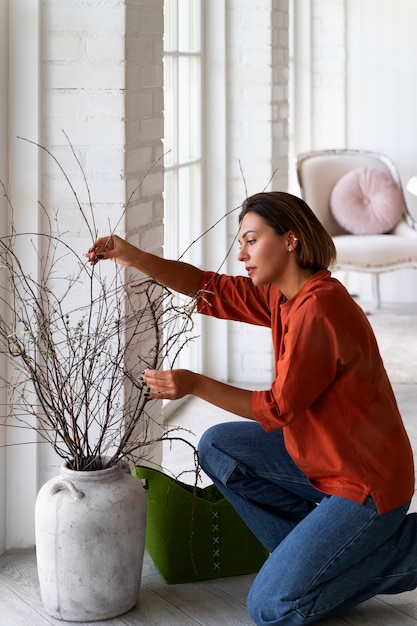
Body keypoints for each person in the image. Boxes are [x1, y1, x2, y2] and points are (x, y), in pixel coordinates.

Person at [85, 191, 417, 626]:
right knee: (219, 446)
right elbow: (210, 287)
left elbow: (277, 409)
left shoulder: (320, 310)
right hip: (321, 459)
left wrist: (194, 384)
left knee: (271, 608)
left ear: (291, 240)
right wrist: (133, 256)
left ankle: (401, 552)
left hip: (365, 486)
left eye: (251, 240)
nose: (241, 254)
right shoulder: (284, 295)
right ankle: (327, 556)